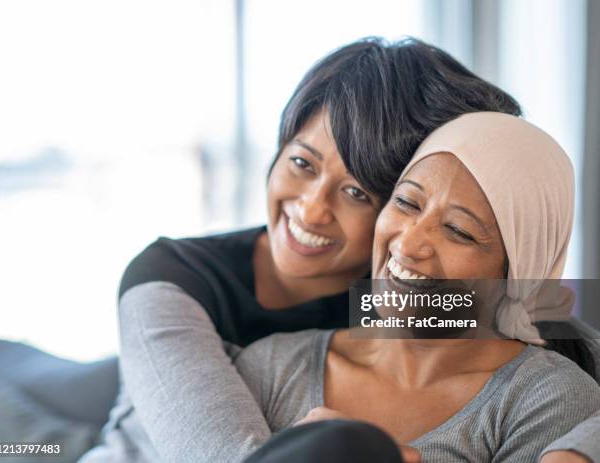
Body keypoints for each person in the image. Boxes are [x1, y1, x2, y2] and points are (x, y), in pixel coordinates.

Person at [78, 39, 599, 463]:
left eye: (357, 193)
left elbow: (543, 318)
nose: (310, 210)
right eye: (302, 162)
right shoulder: (171, 280)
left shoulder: (406, 295)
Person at [235, 112, 600, 462]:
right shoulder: (273, 367)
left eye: (458, 231)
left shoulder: (547, 399)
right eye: (407, 202)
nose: (409, 244)